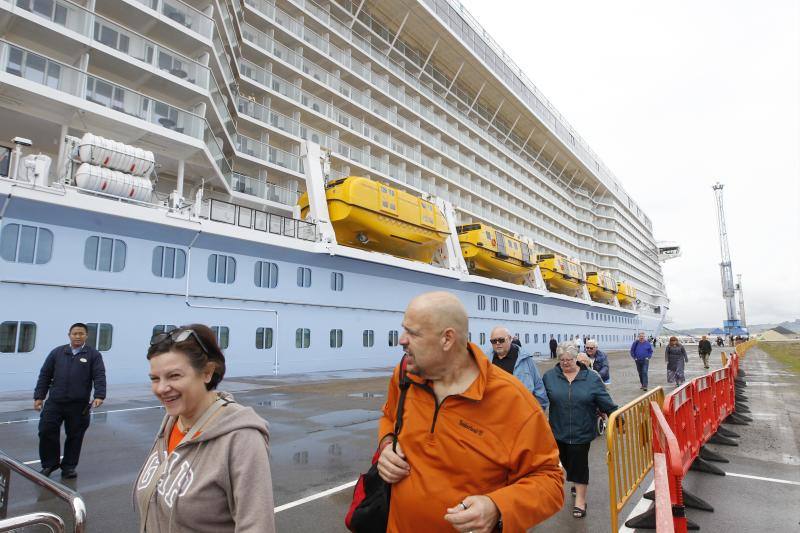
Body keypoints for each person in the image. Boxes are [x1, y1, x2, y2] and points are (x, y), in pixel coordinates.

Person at [376, 292, 563, 532]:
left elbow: (550, 481)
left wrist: (497, 507)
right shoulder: (404, 375)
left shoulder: (512, 399)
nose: (402, 340)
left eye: (413, 333)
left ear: (447, 339)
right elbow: (389, 416)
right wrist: (386, 445)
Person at [135, 325, 275, 532]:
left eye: (174, 376)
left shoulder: (241, 438)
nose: (162, 388)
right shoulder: (172, 422)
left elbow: (256, 526)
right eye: (155, 378)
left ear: (207, 373)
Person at [543, 343, 618, 519]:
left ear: (576, 358)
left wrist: (615, 415)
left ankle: (580, 501)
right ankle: (576, 480)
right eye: (562, 360)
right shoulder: (549, 377)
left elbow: (605, 400)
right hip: (558, 430)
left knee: (579, 464)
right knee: (567, 462)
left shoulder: (591, 378)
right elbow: (539, 399)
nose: (566, 363)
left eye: (569, 360)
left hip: (582, 430)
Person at [33, 323, 106, 478]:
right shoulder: (57, 353)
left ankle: (69, 467)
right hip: (55, 402)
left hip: (78, 405)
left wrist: (99, 395)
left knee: (75, 435)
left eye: (81, 334)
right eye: (75, 333)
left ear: (86, 336)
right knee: (46, 431)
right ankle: (49, 464)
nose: (78, 336)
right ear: (69, 335)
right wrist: (39, 396)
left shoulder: (93, 355)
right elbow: (45, 375)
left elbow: (99, 375)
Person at [488, 326, 548, 410]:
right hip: (495, 413)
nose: (497, 343)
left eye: (501, 340)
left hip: (521, 413)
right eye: (494, 341)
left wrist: (538, 412)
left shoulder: (525, 360)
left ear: (509, 339)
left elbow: (538, 387)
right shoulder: (486, 361)